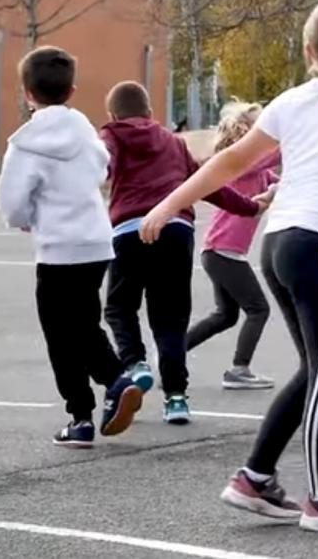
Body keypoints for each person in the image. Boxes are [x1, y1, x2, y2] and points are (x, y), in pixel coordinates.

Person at [139, 0, 318, 534]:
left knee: (315, 370)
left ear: (308, 51)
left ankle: (255, 478)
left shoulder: (289, 100)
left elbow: (229, 160)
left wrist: (165, 203)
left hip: (278, 246)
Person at [0, 46, 143, 448]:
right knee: (83, 323)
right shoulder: (85, 131)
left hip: (57, 248)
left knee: (61, 334)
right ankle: (110, 386)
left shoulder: (24, 144)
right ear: (72, 90)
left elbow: (11, 201)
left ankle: (88, 407)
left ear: (27, 93)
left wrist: (25, 219)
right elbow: (102, 168)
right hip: (95, 243)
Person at [102, 81, 263, 425]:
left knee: (119, 305)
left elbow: (101, 168)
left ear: (112, 115)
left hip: (130, 229)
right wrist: (249, 207)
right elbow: (207, 183)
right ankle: (176, 398)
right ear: (149, 112)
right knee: (171, 317)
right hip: (177, 230)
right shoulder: (173, 141)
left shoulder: (111, 136)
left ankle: (135, 363)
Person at [184, 102, 280, 390]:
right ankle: (239, 369)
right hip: (222, 251)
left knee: (225, 315)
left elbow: (282, 182)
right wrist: (291, 136)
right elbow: (273, 155)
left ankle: (172, 351)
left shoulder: (260, 172)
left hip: (224, 252)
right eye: (261, 125)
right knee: (258, 309)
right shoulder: (243, 165)